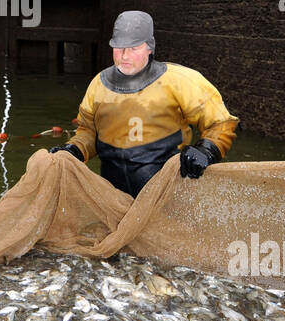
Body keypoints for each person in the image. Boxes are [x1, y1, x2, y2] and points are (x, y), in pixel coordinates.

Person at [50, 11, 238, 198]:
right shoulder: (99, 84)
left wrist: (205, 150)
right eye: (119, 47)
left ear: (150, 48)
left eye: (133, 48)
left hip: (167, 194)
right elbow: (88, 131)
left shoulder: (179, 81)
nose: (124, 56)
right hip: (112, 197)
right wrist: (74, 150)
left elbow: (221, 123)